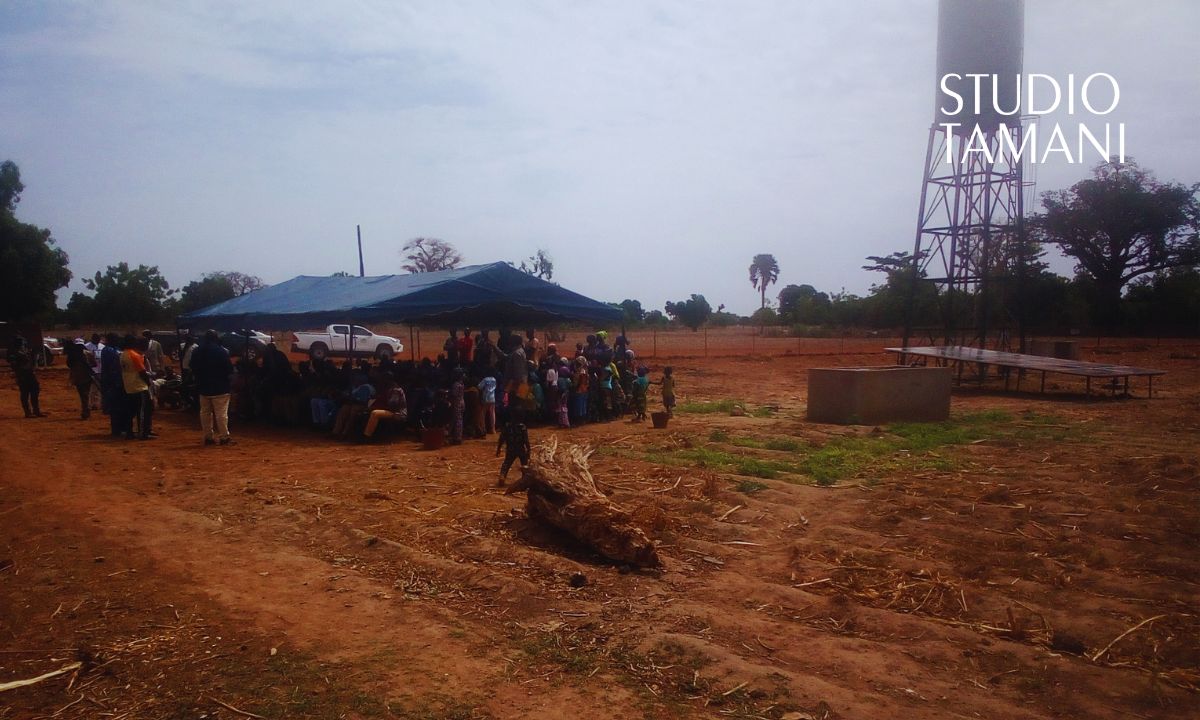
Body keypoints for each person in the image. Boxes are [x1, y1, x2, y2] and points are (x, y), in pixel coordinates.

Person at [190, 330, 235, 445]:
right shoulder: (221, 351)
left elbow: (192, 367)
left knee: (205, 413)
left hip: (203, 387)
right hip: (220, 387)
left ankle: (208, 437)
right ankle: (224, 437)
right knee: (221, 414)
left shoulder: (197, 351)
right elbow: (229, 370)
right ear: (216, 338)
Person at [120, 334, 154, 439]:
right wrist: (148, 383)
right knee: (143, 411)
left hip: (128, 386)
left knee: (130, 411)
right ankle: (143, 433)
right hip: (139, 386)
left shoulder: (123, 354)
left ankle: (129, 432)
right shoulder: (134, 355)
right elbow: (142, 372)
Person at [8, 336, 44, 418]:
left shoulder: (23, 351)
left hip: (28, 373)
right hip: (23, 374)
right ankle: (29, 412)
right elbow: (14, 365)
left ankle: (35, 411)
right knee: (25, 393)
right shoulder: (14, 353)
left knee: (34, 391)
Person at [495, 409, 530, 487]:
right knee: (524, 464)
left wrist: (498, 449)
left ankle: (502, 476)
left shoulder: (507, 426)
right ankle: (525, 480)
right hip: (521, 449)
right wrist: (528, 450)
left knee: (506, 464)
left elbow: (502, 438)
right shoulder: (522, 427)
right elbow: (526, 440)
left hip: (511, 448)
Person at [100, 332, 125, 436]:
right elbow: (113, 368)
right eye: (115, 339)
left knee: (118, 406)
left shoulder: (113, 349)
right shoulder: (109, 350)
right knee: (115, 407)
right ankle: (116, 429)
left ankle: (119, 428)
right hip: (112, 382)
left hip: (114, 381)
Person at [65, 338, 95, 419]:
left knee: (82, 394)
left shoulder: (72, 354)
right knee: (87, 393)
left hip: (77, 377)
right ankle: (86, 410)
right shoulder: (88, 353)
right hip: (87, 376)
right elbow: (94, 363)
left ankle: (85, 410)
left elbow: (69, 364)